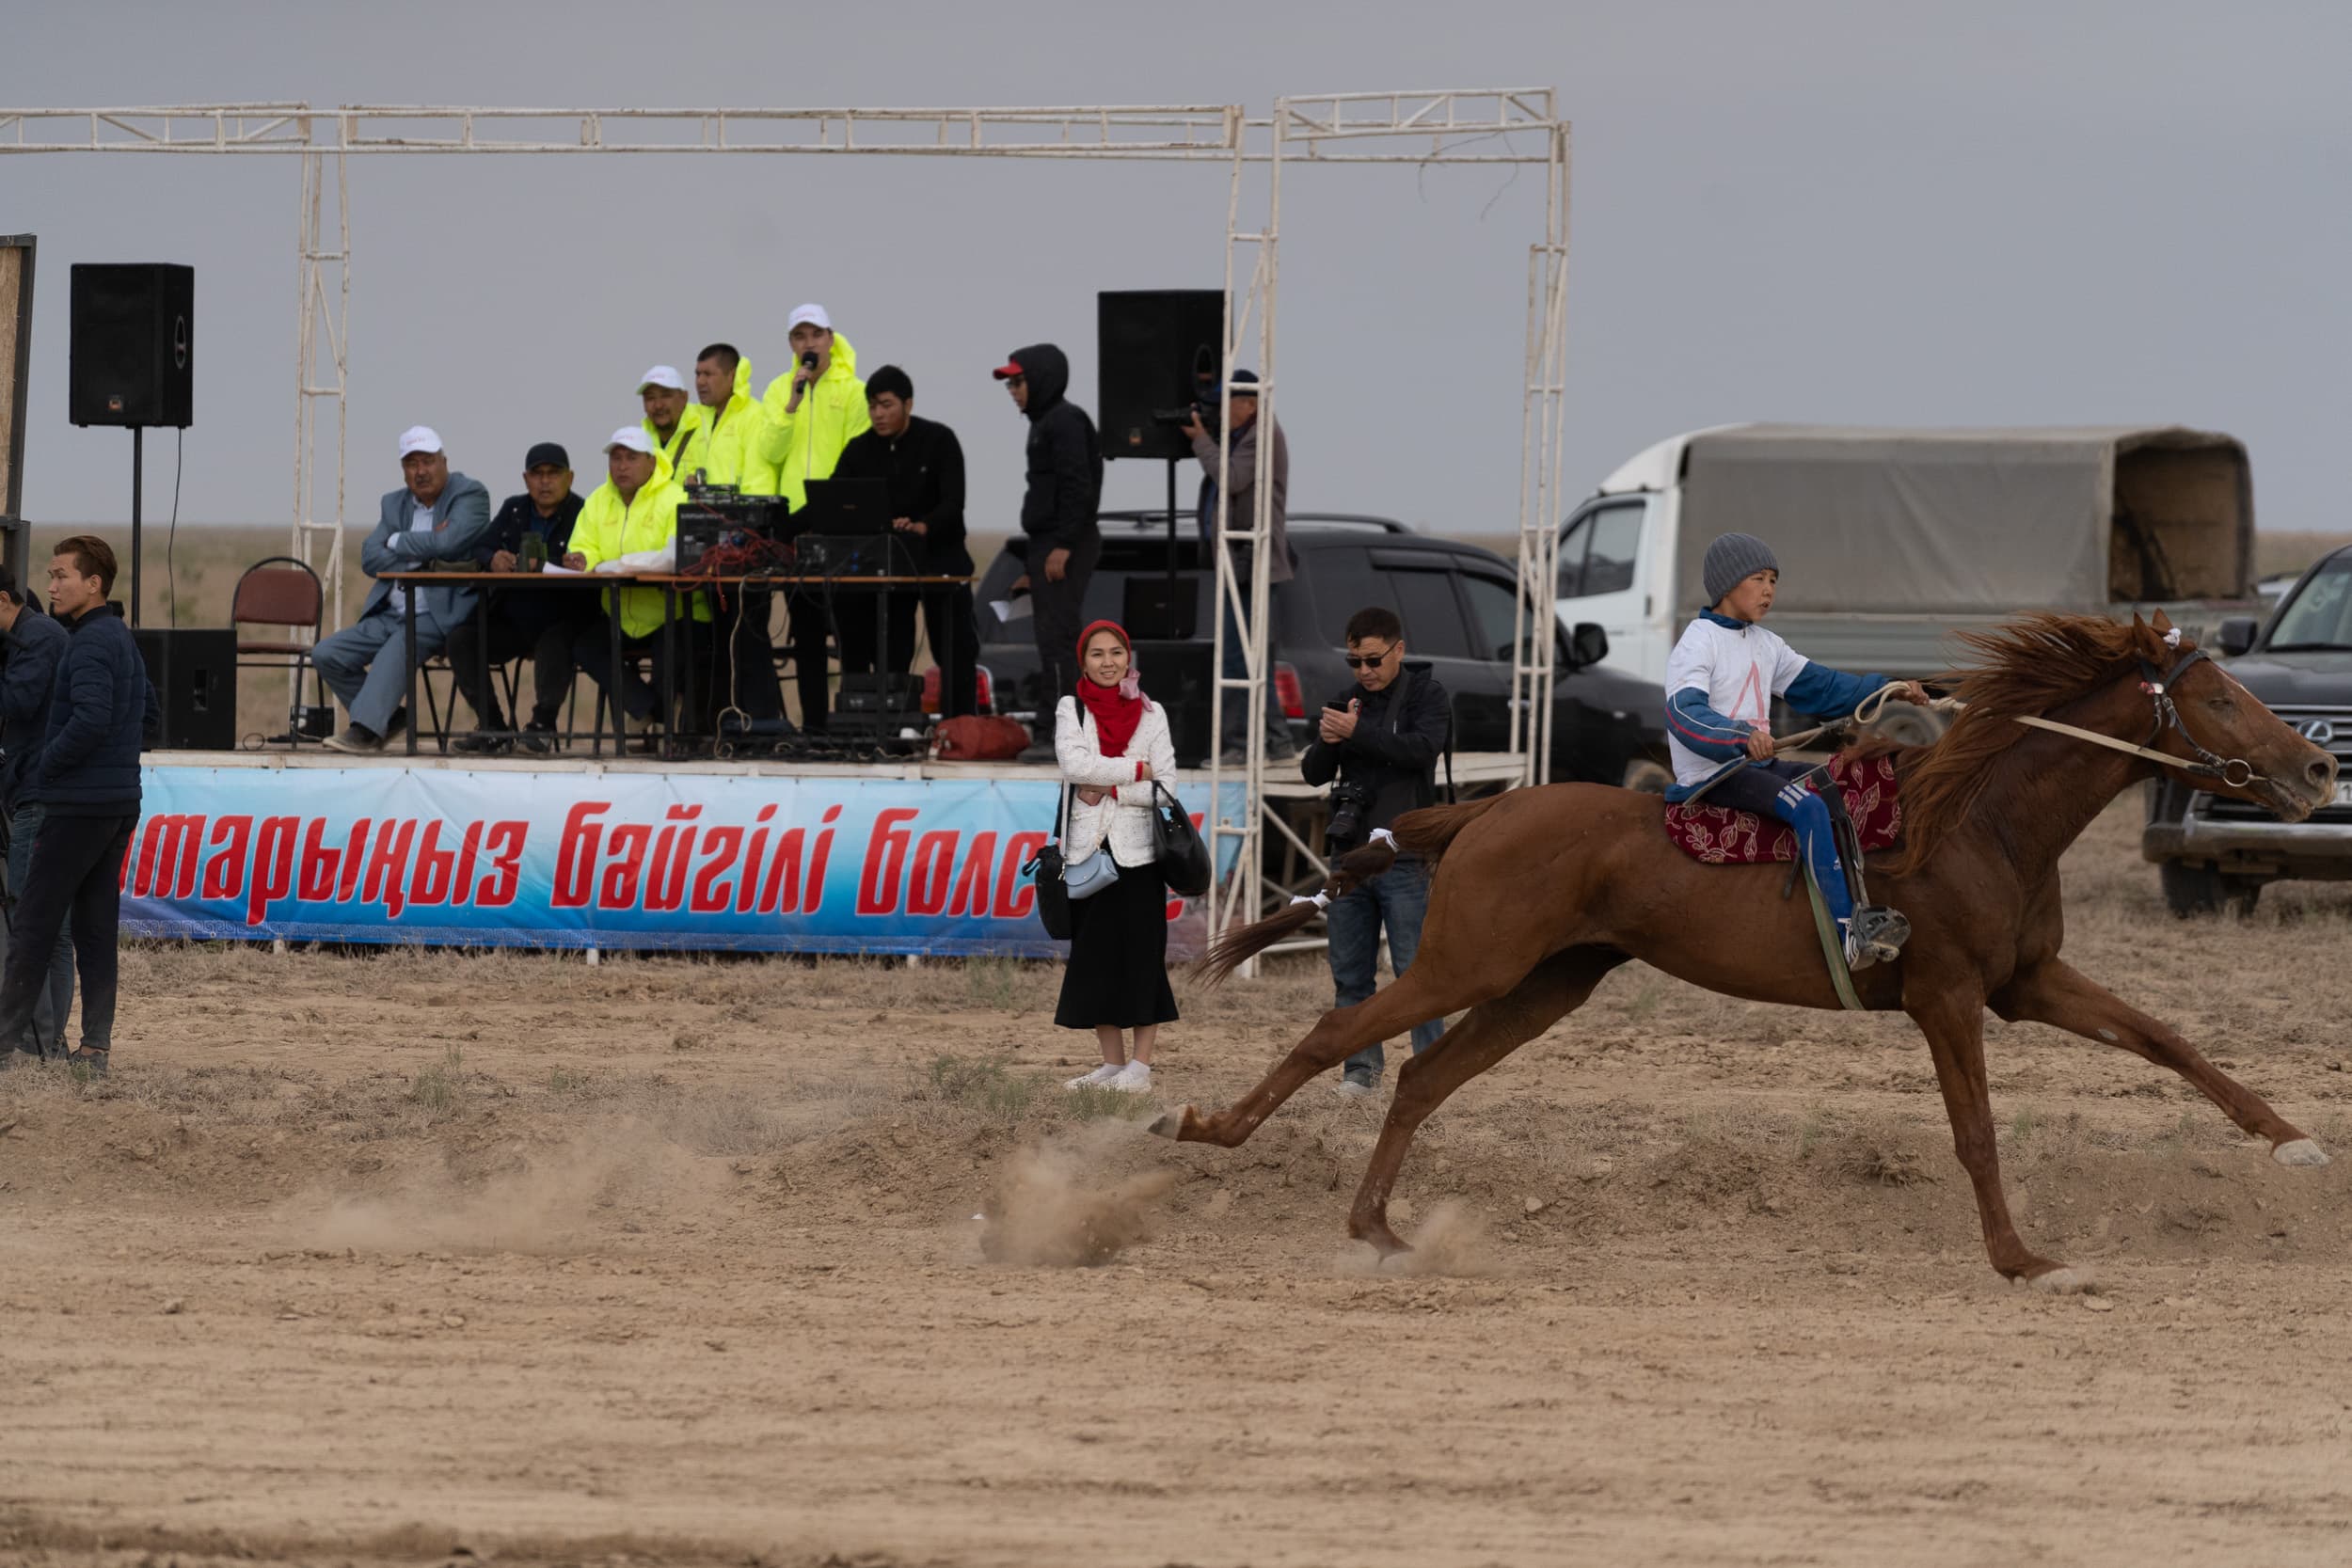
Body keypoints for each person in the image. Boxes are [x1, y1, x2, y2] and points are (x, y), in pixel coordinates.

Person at [1664, 533, 1930, 969]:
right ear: (1727, 584)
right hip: (1716, 776)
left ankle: (1862, 906)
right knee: (1806, 808)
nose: (1769, 589)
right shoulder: (1698, 641)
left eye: (1774, 580)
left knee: (1834, 788)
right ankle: (1847, 932)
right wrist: (1738, 735)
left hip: (1757, 765)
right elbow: (1684, 713)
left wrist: (1887, 688)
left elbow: (1823, 687)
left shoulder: (1767, 644)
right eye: (1758, 578)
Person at [0, 537, 160, 1076]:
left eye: (61, 575)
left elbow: (89, 719)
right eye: (50, 575)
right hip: (118, 802)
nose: (50, 586)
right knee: (94, 928)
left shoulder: (89, 643)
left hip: (76, 805)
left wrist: (47, 766)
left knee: (34, 923)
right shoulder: (118, 636)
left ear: (93, 583)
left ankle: (7, 1046)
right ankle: (93, 1050)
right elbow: (151, 715)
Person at [1300, 605, 1452, 1098]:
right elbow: (1313, 773)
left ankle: (1431, 1069)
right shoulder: (1348, 701)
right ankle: (1360, 1071)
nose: (1364, 671)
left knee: (1417, 973)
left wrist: (1355, 734)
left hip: (1402, 855)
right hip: (1349, 857)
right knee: (1350, 973)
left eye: (1373, 660)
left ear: (1398, 650)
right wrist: (1327, 742)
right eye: (1354, 662)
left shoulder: (1427, 695)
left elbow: (1420, 750)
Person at [1054, 621, 1179, 1094]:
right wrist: (1136, 770)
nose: (1108, 662)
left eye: (1116, 653)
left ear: (1130, 658)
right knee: (1095, 959)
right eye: (1097, 654)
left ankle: (1140, 1070)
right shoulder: (1072, 707)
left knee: (1142, 959)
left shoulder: (1153, 713)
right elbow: (1074, 764)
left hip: (1140, 857)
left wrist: (1110, 788)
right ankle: (1111, 1066)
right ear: (1083, 661)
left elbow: (1166, 789)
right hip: (1088, 855)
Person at [316, 426, 495, 753]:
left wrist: (397, 541)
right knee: (327, 654)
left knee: (400, 644)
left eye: (427, 461)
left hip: (441, 614)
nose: (421, 471)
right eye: (411, 464)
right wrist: (423, 557)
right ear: (403, 470)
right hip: (392, 610)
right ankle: (390, 718)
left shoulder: (470, 495)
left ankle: (366, 731)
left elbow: (450, 541)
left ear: (444, 461)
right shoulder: (394, 504)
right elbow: (371, 558)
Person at [832, 364, 978, 716]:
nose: (878, 414)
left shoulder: (940, 440)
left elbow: (953, 503)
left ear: (908, 404)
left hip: (942, 563)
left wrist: (922, 526)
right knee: (891, 649)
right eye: (872, 407)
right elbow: (834, 499)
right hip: (888, 569)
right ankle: (894, 726)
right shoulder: (858, 450)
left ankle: (959, 727)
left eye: (886, 405)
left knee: (953, 650)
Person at [755, 303, 870, 731]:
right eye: (800, 336)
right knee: (806, 636)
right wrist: (790, 405)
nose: (808, 344)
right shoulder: (779, 390)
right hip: (793, 533)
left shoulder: (855, 392)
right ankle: (815, 727)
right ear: (791, 344)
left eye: (816, 335)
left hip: (838, 526)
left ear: (830, 338)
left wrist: (821, 510)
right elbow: (769, 452)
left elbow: (855, 462)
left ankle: (852, 727)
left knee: (849, 632)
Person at [449, 442, 591, 754]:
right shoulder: (514, 508)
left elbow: (595, 553)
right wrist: (493, 559)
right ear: (526, 479)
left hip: (563, 615)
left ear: (570, 477)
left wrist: (572, 561)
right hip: (513, 618)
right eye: (537, 474)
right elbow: (482, 546)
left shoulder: (585, 511)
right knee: (461, 639)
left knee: (556, 640)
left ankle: (542, 725)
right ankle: (493, 726)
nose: (545, 481)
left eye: (554, 473)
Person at [1183, 369, 1295, 760]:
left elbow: (1231, 478)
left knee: (1238, 655)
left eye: (1225, 404)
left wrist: (1200, 441)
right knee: (1253, 655)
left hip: (1251, 563)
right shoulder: (1247, 434)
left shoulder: (1260, 435)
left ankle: (1239, 745)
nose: (1221, 412)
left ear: (1249, 404)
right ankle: (1277, 742)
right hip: (1244, 563)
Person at [568, 427, 699, 747]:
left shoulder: (675, 498)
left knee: (675, 650)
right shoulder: (598, 499)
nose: (621, 466)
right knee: (585, 647)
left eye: (630, 458)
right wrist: (582, 559)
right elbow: (584, 544)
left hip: (668, 612)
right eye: (615, 458)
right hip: (618, 612)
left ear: (652, 464)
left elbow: (673, 556)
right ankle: (649, 709)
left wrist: (620, 564)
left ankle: (662, 725)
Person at [993, 343, 1102, 720]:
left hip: (1063, 542)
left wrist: (1064, 545)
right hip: (1047, 543)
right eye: (1009, 384)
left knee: (1059, 639)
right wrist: (1035, 563)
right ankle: (1054, 724)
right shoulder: (1044, 424)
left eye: (1018, 382)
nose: (1013, 391)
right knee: (1050, 639)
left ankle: (1062, 728)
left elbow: (1078, 487)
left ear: (1041, 380)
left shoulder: (1065, 421)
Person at [0, 567, 73, 1055]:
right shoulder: (37, 636)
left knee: (32, 921)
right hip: (41, 790)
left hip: (37, 793)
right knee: (54, 927)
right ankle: (49, 1039)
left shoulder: (39, 638)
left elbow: (19, 703)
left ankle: (36, 1042)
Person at [689, 342, 775, 494]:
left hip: (738, 516)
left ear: (732, 376)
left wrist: (747, 517)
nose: (700, 382)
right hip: (703, 515)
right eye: (697, 374)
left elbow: (759, 481)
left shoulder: (754, 415)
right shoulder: (699, 420)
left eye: (708, 374)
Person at [637, 365, 707, 481]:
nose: (658, 405)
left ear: (684, 397)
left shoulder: (708, 431)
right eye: (650, 398)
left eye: (666, 396)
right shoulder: (639, 445)